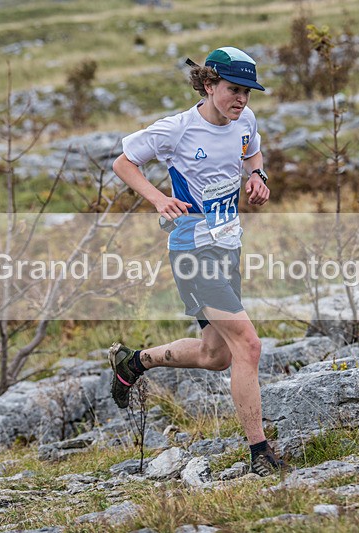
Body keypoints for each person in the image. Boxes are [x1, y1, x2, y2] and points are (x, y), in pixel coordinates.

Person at [108, 46, 288, 476]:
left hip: (228, 246)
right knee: (248, 345)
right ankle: (259, 454)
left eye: (247, 92)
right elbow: (123, 161)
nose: (241, 99)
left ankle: (135, 362)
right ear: (209, 85)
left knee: (216, 355)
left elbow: (251, 154)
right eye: (232, 89)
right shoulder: (178, 129)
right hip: (192, 251)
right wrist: (157, 199)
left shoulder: (245, 121)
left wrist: (258, 178)